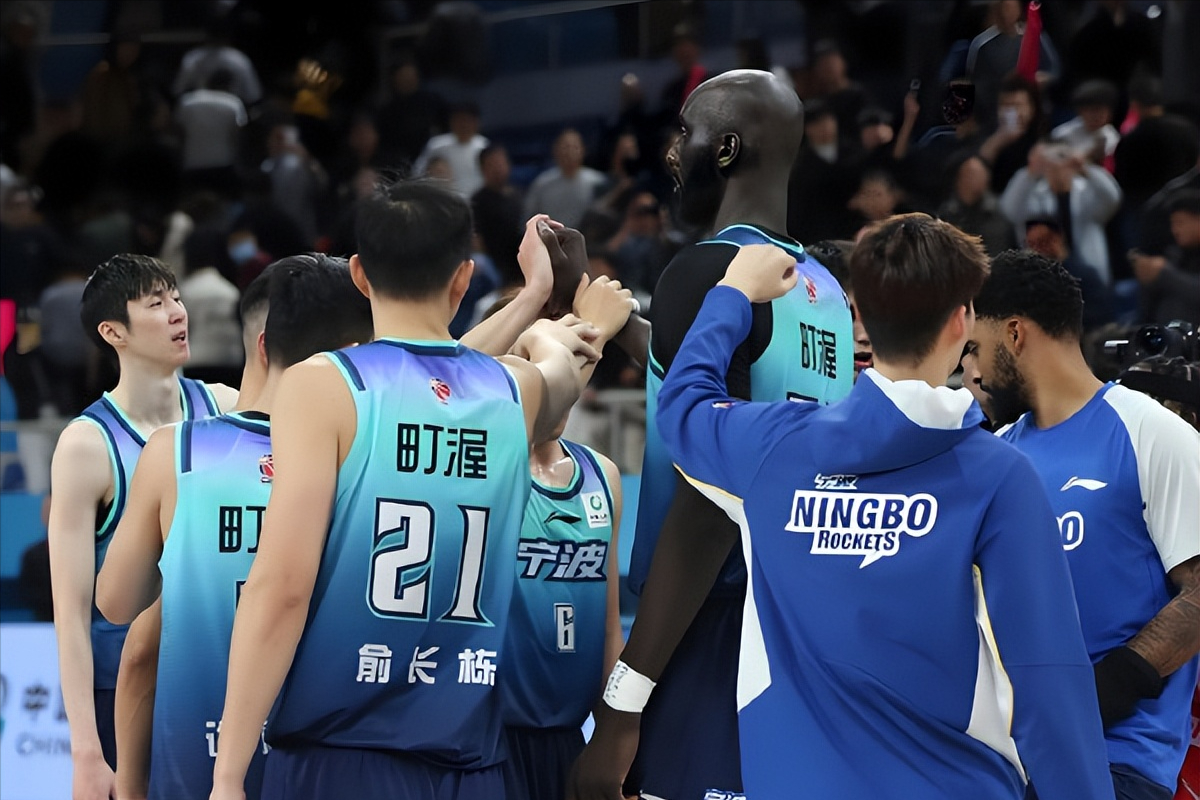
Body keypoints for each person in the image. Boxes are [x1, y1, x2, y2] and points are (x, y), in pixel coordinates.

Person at [651, 219, 1114, 799]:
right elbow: (1049, 678)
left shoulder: (772, 449)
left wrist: (734, 291)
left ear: (861, 318)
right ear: (961, 321)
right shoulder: (1000, 476)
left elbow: (682, 404)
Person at [207, 179, 634, 800]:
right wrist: (552, 304)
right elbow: (544, 368)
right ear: (464, 278)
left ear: (359, 273)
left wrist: (228, 774)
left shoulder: (323, 384)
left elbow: (281, 589)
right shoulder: (514, 391)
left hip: (342, 754)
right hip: (472, 762)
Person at [570, 68, 854, 800]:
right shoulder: (820, 285)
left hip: (707, 623)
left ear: (725, 149)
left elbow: (707, 499)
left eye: (685, 132)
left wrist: (622, 704)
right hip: (796, 620)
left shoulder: (706, 270)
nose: (673, 151)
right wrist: (621, 323)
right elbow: (726, 378)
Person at [95, 254, 374, 800]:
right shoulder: (363, 463)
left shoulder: (178, 452)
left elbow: (122, 617)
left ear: (260, 343)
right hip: (333, 762)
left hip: (199, 766)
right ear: (353, 355)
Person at [971, 249, 1200, 799]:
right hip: (1005, 762)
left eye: (975, 348)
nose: (973, 371)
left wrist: (1103, 691)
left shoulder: (1151, 432)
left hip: (1115, 763)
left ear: (1015, 333)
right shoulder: (995, 453)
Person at [47, 254, 237, 800]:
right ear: (114, 332)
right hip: (127, 695)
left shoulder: (225, 407)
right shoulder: (86, 446)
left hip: (220, 679)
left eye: (176, 297)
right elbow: (71, 612)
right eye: (156, 303)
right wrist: (86, 751)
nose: (177, 312)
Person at [499, 403, 624, 800]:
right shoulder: (489, 471)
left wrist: (614, 739)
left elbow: (609, 626)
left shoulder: (602, 475)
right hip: (490, 741)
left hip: (570, 741)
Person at [999, 141, 1123, 283]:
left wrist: (1086, 168)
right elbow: (1010, 210)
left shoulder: (1087, 191)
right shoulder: (1035, 195)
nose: (1058, 167)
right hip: (1045, 275)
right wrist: (1030, 172)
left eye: (1063, 159)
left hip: (1089, 272)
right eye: (1051, 163)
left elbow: (1113, 198)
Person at [1131, 189, 1200, 328]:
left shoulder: (1166, 269)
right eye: (1173, 224)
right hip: (1163, 334)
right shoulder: (1174, 255)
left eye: (1180, 222)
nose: (1175, 230)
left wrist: (1164, 273)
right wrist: (1149, 279)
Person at [524, 128, 609, 230]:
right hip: (552, 236)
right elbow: (529, 218)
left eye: (575, 147)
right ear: (555, 151)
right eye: (565, 147)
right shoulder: (542, 184)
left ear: (583, 150)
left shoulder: (598, 182)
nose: (570, 152)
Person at [413, 101, 489, 198]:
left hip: (478, 200)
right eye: (459, 120)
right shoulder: (436, 145)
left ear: (476, 123)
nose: (464, 125)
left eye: (467, 121)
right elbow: (418, 173)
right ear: (451, 122)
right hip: (444, 200)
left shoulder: (484, 146)